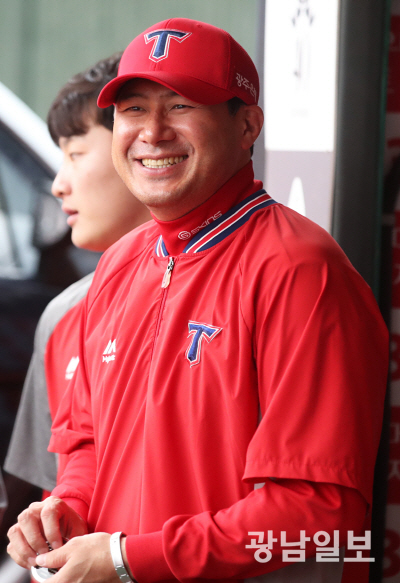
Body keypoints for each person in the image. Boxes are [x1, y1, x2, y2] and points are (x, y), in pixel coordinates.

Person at [7, 18, 388, 583]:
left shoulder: (301, 270)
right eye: (134, 110)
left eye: (181, 105)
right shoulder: (118, 264)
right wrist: (67, 508)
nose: (153, 132)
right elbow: (87, 446)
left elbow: (320, 514)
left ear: (247, 125)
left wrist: (127, 559)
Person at [3, 53, 151, 497]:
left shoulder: (234, 291)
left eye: (76, 154)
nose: (58, 184)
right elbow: (40, 494)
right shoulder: (64, 316)